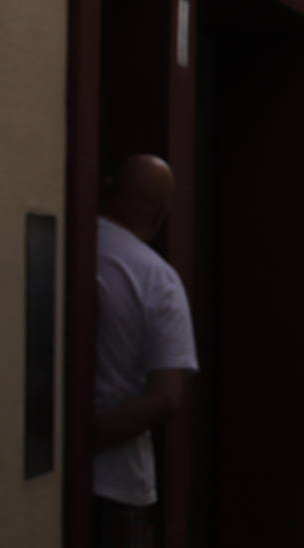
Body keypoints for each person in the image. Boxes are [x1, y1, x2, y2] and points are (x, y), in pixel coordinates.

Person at [94, 155, 198, 547]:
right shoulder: (156, 278)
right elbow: (166, 397)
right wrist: (90, 434)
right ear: (162, 212)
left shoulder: (74, 245)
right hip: (120, 484)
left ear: (108, 187)